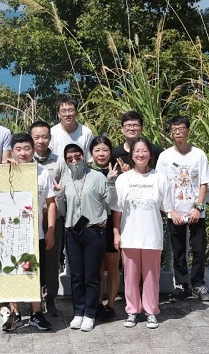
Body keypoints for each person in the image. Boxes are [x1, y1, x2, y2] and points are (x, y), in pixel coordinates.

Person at [55, 143, 116, 332]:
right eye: (69, 158)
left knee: (92, 276)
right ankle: (78, 312)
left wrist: (111, 183)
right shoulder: (65, 179)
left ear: (84, 156)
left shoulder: (97, 177)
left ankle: (90, 313)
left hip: (94, 230)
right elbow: (63, 212)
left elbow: (110, 204)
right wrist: (59, 195)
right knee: (76, 276)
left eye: (77, 156)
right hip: (72, 231)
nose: (74, 161)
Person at [112, 137, 172, 329]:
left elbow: (167, 208)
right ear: (131, 155)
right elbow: (117, 210)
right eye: (137, 151)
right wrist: (116, 233)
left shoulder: (159, 179)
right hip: (129, 235)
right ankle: (132, 311)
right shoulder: (123, 179)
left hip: (152, 236)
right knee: (130, 277)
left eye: (144, 151)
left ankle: (151, 311)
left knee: (151, 276)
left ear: (150, 155)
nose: (140, 154)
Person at [2, 133, 57, 333]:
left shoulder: (42, 173)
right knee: (12, 272)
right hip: (10, 234)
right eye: (18, 149)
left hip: (36, 234)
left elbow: (51, 203)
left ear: (33, 150)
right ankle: (14, 314)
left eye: (27, 148)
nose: (23, 153)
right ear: (12, 152)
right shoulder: (4, 172)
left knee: (35, 274)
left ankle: (36, 313)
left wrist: (50, 230)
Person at [156, 115, 209, 302]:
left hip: (195, 211)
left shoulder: (199, 154)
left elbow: (204, 183)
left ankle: (198, 284)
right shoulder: (165, 156)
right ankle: (181, 285)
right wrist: (170, 211)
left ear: (188, 130)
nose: (178, 132)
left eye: (181, 129)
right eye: (174, 130)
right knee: (178, 250)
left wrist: (198, 207)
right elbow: (162, 186)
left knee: (198, 249)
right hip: (175, 211)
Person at [29, 120, 63, 316]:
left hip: (51, 218)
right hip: (29, 220)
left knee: (51, 262)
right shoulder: (23, 160)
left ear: (50, 138)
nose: (40, 141)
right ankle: (33, 299)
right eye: (36, 137)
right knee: (30, 261)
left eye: (44, 137)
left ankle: (50, 299)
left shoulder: (59, 161)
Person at [89, 135, 120, 322]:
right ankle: (99, 303)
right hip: (93, 226)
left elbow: (117, 206)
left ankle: (111, 305)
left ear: (111, 152)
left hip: (111, 225)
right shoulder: (87, 171)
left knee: (113, 267)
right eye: (97, 150)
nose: (101, 154)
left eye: (105, 150)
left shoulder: (118, 171)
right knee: (97, 268)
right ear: (91, 153)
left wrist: (116, 230)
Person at [49, 97, 94, 163]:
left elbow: (89, 160)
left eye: (70, 110)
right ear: (59, 115)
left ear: (76, 112)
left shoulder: (86, 132)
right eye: (63, 111)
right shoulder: (52, 133)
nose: (67, 114)